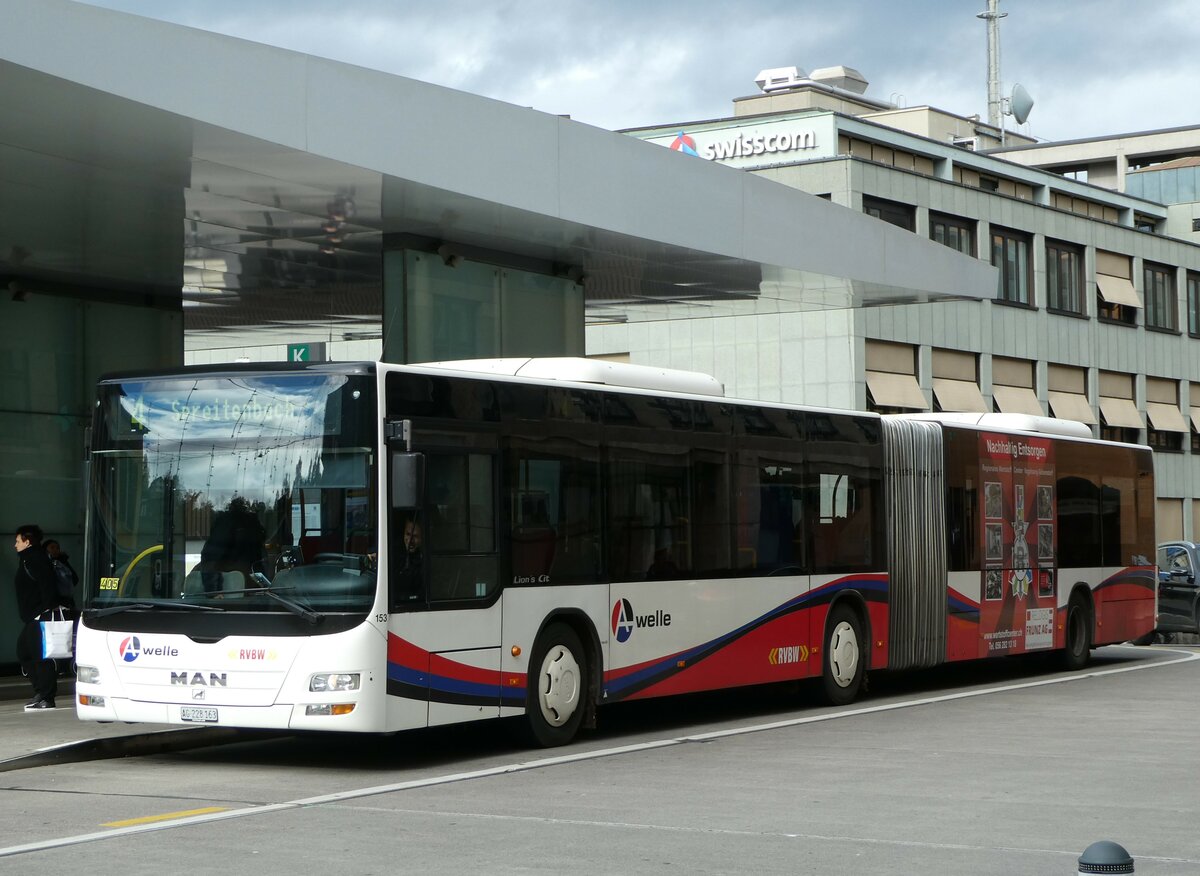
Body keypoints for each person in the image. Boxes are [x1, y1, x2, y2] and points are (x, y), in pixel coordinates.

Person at [13, 524, 60, 711]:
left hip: (40, 615)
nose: (15, 545)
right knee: (25, 651)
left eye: (18, 541)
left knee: (39, 656)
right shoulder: (27, 559)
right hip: (33, 616)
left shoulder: (36, 559)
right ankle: (41, 693)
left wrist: (43, 610)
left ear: (27, 542)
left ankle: (47, 697)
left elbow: (48, 586)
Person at [199, 497, 267, 594]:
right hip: (230, 590)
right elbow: (210, 558)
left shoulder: (251, 524)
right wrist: (213, 591)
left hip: (253, 589)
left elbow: (258, 560)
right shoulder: (227, 524)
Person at [43, 539, 79, 615]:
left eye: (57, 548)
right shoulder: (45, 564)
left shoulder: (62, 562)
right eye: (52, 548)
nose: (55, 550)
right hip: (53, 602)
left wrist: (64, 561)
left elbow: (74, 579)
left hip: (66, 601)